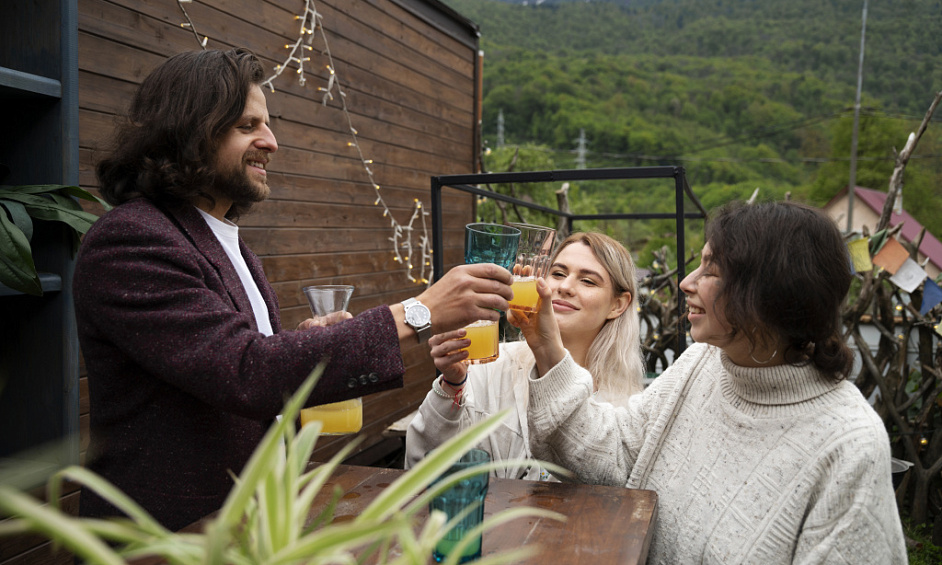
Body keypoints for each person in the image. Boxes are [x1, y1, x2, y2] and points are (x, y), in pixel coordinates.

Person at [73, 48, 513, 531]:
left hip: (249, 526)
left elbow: (245, 362)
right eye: (247, 126)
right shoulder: (132, 240)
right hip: (170, 537)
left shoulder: (231, 247)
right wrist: (419, 311)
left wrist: (302, 341)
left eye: (268, 124)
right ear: (188, 133)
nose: (272, 141)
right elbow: (247, 372)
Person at [517, 201, 907, 563]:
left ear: (769, 294)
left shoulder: (850, 442)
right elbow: (616, 452)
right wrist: (548, 347)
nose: (687, 282)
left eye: (711, 271)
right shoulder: (703, 362)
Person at [405, 232, 645, 480]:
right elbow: (422, 466)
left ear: (618, 304)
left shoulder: (626, 410)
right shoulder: (491, 365)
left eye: (588, 281)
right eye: (558, 273)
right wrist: (451, 387)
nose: (564, 287)